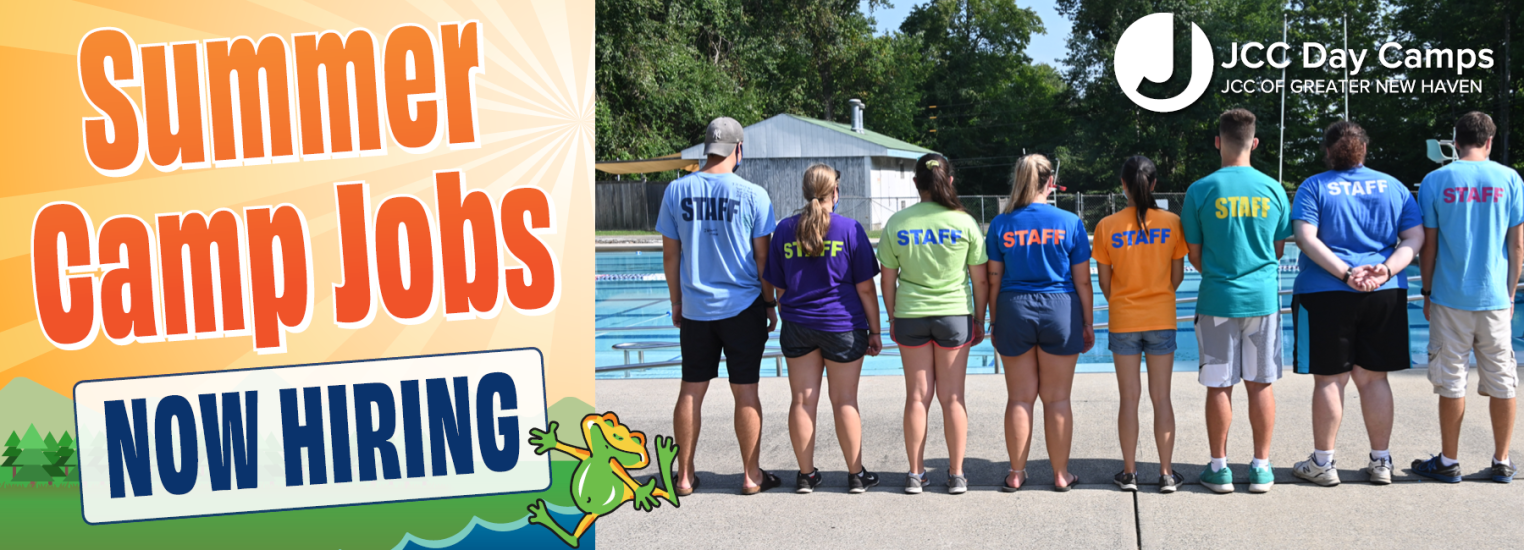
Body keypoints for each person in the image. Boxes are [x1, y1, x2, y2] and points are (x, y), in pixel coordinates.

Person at [1287, 121, 1423, 487]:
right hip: (1384, 291)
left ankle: (1323, 463)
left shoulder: (1314, 186)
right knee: (1374, 378)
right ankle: (1381, 462)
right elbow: (1414, 238)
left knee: (1330, 380)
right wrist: (1385, 270)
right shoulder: (1393, 186)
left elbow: (1306, 239)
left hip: (1325, 292)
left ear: (1327, 150)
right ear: (1364, 149)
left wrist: (1347, 274)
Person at [656, 117, 781, 496]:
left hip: (696, 309)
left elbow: (670, 256)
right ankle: (751, 475)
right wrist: (769, 303)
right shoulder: (754, 194)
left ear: (708, 148)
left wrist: (677, 301)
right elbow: (763, 259)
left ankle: (684, 477)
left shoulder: (676, 191)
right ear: (738, 149)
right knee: (746, 391)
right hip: (743, 307)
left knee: (690, 390)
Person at [1181, 108, 1291, 494]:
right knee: (1261, 385)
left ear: (1218, 142)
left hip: (1217, 300)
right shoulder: (1274, 189)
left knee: (1219, 386)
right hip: (1262, 301)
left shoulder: (1200, 190)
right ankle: (1261, 468)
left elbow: (1194, 254)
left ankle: (1220, 469)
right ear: (1254, 143)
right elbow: (1278, 249)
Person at [1414, 111, 1522, 484]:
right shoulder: (1510, 179)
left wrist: (1427, 292)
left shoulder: (1435, 180)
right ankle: (1502, 461)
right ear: (1489, 141)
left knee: (1451, 380)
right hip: (1495, 298)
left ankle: (1449, 461)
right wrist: (1510, 293)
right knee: (1503, 381)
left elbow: (1427, 247)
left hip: (1449, 297)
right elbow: (1518, 245)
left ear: (1455, 142)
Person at [763, 165, 884, 494]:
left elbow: (778, 285)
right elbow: (866, 289)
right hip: (842, 325)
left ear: (806, 191)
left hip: (798, 325)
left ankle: (806, 476)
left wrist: (792, 311)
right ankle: (856, 475)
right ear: (834, 192)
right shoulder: (850, 229)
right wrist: (875, 330)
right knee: (844, 400)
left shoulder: (784, 229)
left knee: (802, 401)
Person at [877, 153, 989, 495]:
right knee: (953, 398)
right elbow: (980, 280)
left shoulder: (897, 223)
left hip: (910, 315)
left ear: (915, 183)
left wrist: (892, 316)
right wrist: (979, 318)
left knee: (917, 396)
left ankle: (915, 474)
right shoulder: (964, 222)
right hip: (954, 316)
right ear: (950, 181)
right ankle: (956, 475)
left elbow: (887, 280)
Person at [986, 153, 1095, 493]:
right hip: (1060, 311)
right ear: (1050, 182)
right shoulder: (1069, 222)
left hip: (1013, 309)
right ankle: (1061, 474)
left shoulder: (1001, 224)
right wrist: (1088, 323)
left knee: (1019, 399)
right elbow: (1083, 281)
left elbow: (993, 280)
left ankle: (1016, 473)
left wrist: (994, 320)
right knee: (1057, 399)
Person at [1093, 156, 1187, 493]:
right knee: (1162, 398)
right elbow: (1177, 276)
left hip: (1124, 320)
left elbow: (1105, 283)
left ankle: (1130, 473)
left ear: (1123, 185)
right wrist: (1157, 296)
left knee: (1128, 398)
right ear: (1154, 183)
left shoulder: (1107, 226)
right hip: (1161, 317)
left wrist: (1124, 300)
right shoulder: (1173, 222)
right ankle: (1166, 474)